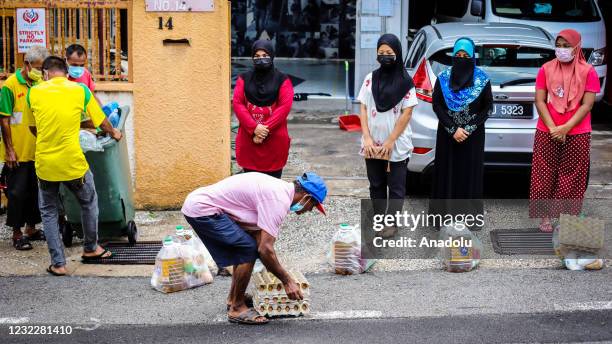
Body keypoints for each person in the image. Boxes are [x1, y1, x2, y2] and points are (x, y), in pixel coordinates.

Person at [181, 172, 327, 324]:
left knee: (246, 245)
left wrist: (273, 262)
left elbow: (259, 237)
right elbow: (264, 249)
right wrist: (287, 281)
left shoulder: (279, 190)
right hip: (202, 210)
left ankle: (234, 299)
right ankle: (237, 308)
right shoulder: (278, 200)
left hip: (199, 203)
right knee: (247, 250)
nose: (310, 210)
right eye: (313, 205)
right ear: (307, 197)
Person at [24, 56, 122, 276]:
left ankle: (58, 264)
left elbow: (34, 128)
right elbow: (101, 121)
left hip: (46, 164)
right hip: (72, 163)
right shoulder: (80, 91)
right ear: (66, 72)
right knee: (88, 201)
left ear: (46, 73)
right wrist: (114, 132)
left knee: (49, 212)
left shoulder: (34, 92)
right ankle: (91, 248)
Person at [529, 29, 600, 232]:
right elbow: (540, 100)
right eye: (558, 46)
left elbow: (587, 105)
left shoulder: (588, 71)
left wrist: (566, 128)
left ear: (576, 47)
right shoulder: (546, 68)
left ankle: (564, 218)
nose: (561, 50)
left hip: (578, 132)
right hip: (547, 130)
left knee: (572, 176)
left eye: (566, 46)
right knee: (544, 174)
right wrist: (553, 128)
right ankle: (545, 217)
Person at [358, 34, 417, 238]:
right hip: (372, 143)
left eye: (389, 53)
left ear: (398, 54)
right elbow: (364, 108)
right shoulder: (370, 79)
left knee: (396, 186)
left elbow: (407, 113)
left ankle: (391, 223)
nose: (385, 56)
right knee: (376, 184)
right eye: (381, 53)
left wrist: (391, 141)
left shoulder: (406, 82)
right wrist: (366, 137)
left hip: (396, 143)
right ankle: (379, 219)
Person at [430, 37, 492, 228]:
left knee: (469, 175)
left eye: (466, 55)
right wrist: (452, 129)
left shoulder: (482, 80)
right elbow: (437, 105)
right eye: (458, 55)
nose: (462, 58)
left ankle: (469, 220)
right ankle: (443, 218)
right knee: (446, 173)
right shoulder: (443, 79)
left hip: (472, 138)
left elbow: (487, 108)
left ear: (473, 57)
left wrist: (468, 129)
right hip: (448, 136)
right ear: (453, 56)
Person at [0, 46, 48, 250]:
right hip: (17, 151)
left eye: (42, 68)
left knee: (35, 192)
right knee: (17, 193)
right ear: (26, 65)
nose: (40, 72)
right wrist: (9, 149)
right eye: (37, 68)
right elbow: (4, 119)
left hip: (37, 149)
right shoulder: (10, 86)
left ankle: (31, 228)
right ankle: (17, 233)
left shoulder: (39, 83)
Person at [233, 40, 293, 179]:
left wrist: (261, 131)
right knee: (250, 185)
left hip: (274, 142)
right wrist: (254, 128)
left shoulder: (282, 80)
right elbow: (238, 103)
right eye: (257, 56)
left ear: (272, 56)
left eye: (265, 55)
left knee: (273, 185)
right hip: (249, 140)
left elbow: (284, 107)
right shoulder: (244, 79)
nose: (261, 59)